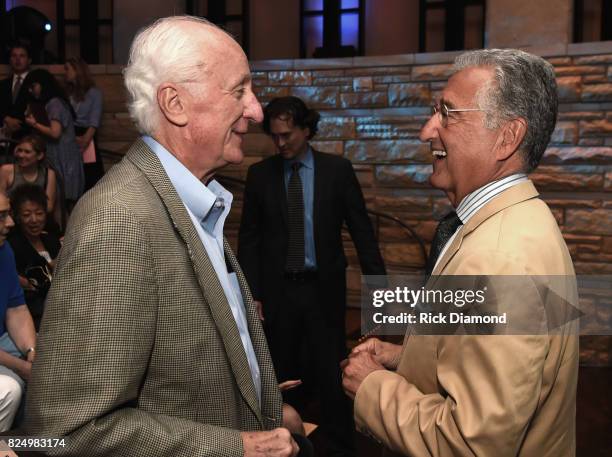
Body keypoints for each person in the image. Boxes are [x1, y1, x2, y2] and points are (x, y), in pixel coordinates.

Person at [24, 16, 302, 457]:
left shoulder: (191, 201)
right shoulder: (119, 220)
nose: (256, 110)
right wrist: (238, 446)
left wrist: (268, 411)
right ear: (175, 103)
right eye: (239, 91)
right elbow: (66, 431)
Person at [341, 49, 579, 456]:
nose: (427, 130)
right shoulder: (508, 224)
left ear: (507, 136)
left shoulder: (501, 260)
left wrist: (372, 386)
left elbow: (470, 444)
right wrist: (408, 356)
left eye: (447, 112)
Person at [238, 96, 386, 457]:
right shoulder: (260, 175)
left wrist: (381, 296)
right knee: (283, 373)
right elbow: (250, 239)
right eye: (274, 136)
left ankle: (339, 447)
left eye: (288, 134)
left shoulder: (337, 170)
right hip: (278, 293)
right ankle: (286, 446)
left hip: (323, 290)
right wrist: (251, 293)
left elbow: (362, 232)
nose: (281, 143)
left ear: (307, 129)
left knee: (331, 372)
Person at [0, 191, 37, 432]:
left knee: (54, 368)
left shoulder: (4, 251)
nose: (11, 223)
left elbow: (16, 309)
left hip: (3, 339)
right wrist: (21, 366)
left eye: (8, 214)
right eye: (1, 216)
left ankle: (30, 443)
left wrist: (32, 352)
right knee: (11, 389)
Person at [22, 69, 84, 209]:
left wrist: (34, 124)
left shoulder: (54, 103)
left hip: (64, 160)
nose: (32, 91)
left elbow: (55, 133)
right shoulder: (51, 103)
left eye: (33, 87)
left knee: (64, 205)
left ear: (43, 85)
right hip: (60, 158)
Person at [8, 184, 61, 331]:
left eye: (39, 213)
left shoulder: (52, 240)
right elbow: (31, 285)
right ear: (17, 217)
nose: (34, 220)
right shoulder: (13, 246)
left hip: (62, 307)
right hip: (34, 317)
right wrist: (52, 266)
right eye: (26, 215)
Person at [65, 57, 105, 190]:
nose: (65, 73)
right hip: (69, 134)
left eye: (68, 69)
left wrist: (86, 139)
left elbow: (94, 120)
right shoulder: (67, 92)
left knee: (90, 174)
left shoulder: (94, 93)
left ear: (77, 71)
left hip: (86, 134)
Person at [0, 135, 58, 216]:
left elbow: (49, 206)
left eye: (27, 152)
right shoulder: (6, 170)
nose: (21, 155)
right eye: (20, 150)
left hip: (38, 218)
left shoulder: (49, 174)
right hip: (12, 217)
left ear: (40, 155)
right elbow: (1, 201)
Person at [0, 43, 31, 143]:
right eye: (14, 56)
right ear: (10, 60)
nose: (18, 59)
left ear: (29, 60)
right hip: (4, 138)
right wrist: (6, 119)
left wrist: (19, 125)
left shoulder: (35, 82)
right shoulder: (3, 84)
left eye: (22, 56)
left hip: (28, 137)